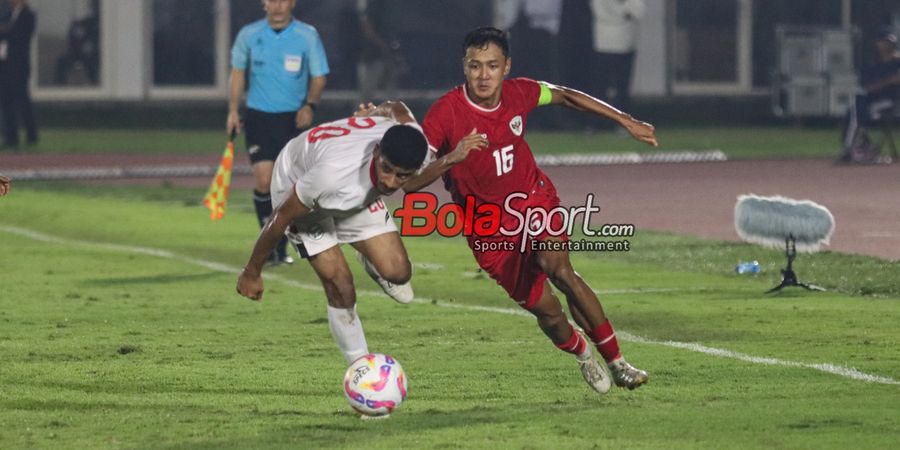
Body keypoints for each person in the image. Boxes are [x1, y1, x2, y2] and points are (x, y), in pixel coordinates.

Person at [405, 27, 657, 394]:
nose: (483, 75)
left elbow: (566, 96)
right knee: (549, 313)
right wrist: (452, 157)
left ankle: (618, 363)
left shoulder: (520, 92)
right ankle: (582, 352)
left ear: (506, 66)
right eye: (475, 66)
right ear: (464, 67)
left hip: (533, 201)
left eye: (492, 65)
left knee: (560, 270)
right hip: (487, 229)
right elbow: (410, 183)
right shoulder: (445, 114)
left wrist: (625, 120)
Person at [236, 100, 426, 366]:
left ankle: (368, 258)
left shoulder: (415, 141)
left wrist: (373, 113)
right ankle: (360, 372)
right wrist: (251, 272)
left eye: (402, 176)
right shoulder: (330, 176)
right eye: (386, 169)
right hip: (298, 182)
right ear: (376, 152)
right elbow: (280, 217)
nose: (389, 182)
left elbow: (397, 107)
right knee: (341, 286)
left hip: (352, 188)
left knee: (398, 272)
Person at [227, 0, 329, 265]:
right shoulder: (249, 35)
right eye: (272, 0)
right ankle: (270, 243)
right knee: (263, 180)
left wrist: (310, 105)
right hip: (258, 116)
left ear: (292, 3)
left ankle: (281, 245)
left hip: (291, 120)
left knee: (286, 187)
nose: (278, 6)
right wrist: (233, 111)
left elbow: (319, 76)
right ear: (264, 3)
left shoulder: (307, 35)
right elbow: (238, 74)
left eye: (283, 0)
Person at [839, 28, 900, 163]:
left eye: (889, 42)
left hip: (889, 102)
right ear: (877, 43)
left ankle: (853, 149)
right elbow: (868, 87)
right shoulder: (871, 65)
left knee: (857, 111)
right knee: (854, 110)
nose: (887, 45)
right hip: (871, 100)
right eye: (884, 41)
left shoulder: (897, 62)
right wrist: (890, 80)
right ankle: (861, 148)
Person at [589, 0, 644, 126]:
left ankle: (614, 123)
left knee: (619, 86)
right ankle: (599, 123)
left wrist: (623, 13)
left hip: (623, 41)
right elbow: (602, 11)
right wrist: (623, 13)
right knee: (603, 86)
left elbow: (638, 11)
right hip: (605, 42)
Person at [0, 0, 37, 150]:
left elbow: (20, 36)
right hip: (5, 65)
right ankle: (11, 137)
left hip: (19, 66)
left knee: (23, 101)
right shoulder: (7, 14)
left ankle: (31, 135)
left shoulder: (29, 15)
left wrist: (4, 31)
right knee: (6, 101)